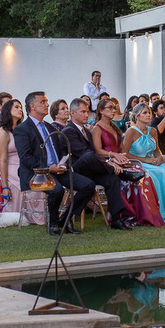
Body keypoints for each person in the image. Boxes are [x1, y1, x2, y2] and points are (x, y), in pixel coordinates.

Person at [15, 91, 96, 235]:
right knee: (56, 190)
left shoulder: (49, 127)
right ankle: (53, 224)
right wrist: (47, 168)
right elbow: (25, 157)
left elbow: (60, 151)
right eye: (43, 102)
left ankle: (64, 220)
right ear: (32, 106)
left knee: (88, 185)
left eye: (46, 101)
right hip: (36, 174)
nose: (47, 104)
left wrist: (62, 163)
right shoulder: (22, 129)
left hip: (56, 171)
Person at [62, 98, 133, 230]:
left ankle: (116, 219)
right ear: (73, 113)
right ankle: (116, 170)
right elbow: (84, 154)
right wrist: (109, 163)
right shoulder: (69, 130)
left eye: (87, 111)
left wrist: (109, 161)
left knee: (112, 178)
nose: (86, 115)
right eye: (83, 112)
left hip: (90, 171)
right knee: (89, 155)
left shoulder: (86, 131)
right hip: (75, 170)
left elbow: (93, 154)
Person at [93, 98, 163, 227]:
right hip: (107, 163)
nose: (113, 110)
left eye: (114, 107)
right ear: (101, 111)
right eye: (109, 108)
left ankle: (144, 215)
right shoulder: (97, 129)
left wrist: (123, 157)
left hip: (120, 162)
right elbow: (97, 151)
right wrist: (113, 155)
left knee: (143, 175)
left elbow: (121, 149)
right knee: (131, 180)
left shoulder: (114, 127)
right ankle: (127, 215)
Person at [0, 98, 47, 226]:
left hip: (27, 163)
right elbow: (3, 159)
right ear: (8, 111)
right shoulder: (3, 132)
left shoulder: (23, 128)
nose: (20, 110)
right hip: (12, 167)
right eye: (16, 107)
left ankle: (42, 215)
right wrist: (4, 186)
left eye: (20, 107)